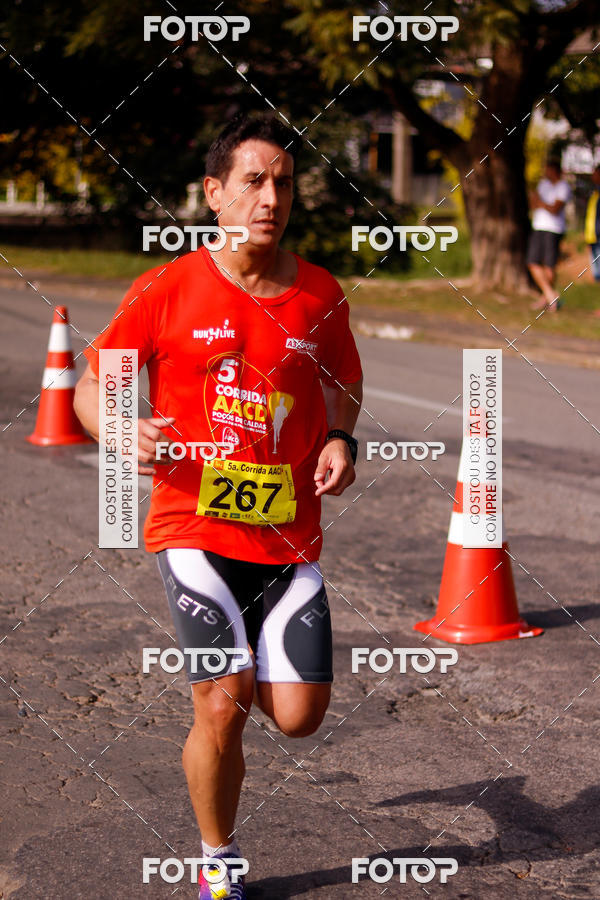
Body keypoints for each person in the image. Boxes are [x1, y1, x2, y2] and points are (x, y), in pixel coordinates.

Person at [74, 113, 363, 900]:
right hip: (192, 529)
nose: (271, 198)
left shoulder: (318, 294)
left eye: (283, 183)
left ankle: (245, 686)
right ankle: (218, 858)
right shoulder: (167, 287)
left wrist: (340, 437)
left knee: (300, 716)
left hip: (290, 538)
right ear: (214, 195)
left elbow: (343, 377)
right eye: (253, 182)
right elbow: (94, 383)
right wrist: (117, 428)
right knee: (224, 700)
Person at [527, 160, 571, 312]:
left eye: (548, 170)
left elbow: (555, 209)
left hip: (554, 229)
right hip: (538, 227)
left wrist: (541, 203)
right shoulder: (543, 185)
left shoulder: (563, 187)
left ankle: (547, 298)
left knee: (549, 265)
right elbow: (534, 204)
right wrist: (541, 203)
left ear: (555, 171)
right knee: (532, 261)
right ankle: (550, 295)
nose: (546, 173)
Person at [584, 164, 600, 289]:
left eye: (595, 173)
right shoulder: (594, 193)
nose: (592, 176)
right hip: (593, 237)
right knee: (597, 274)